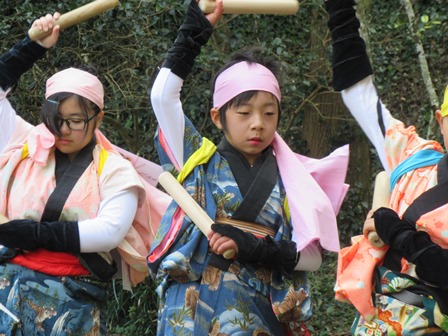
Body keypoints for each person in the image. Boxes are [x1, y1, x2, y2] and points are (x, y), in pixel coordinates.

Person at [147, 1, 350, 335]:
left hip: (260, 312)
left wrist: (256, 248)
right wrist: (195, 28)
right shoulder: (196, 158)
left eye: (269, 113)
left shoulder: (295, 177)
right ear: (217, 116)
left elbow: (312, 257)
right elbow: (162, 96)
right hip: (191, 309)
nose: (258, 124)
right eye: (244, 113)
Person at [0, 12, 151, 335]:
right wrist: (32, 46)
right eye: (56, 119)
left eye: (76, 120)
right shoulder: (23, 143)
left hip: (73, 303)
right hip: (7, 295)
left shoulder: (115, 169)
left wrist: (35, 234)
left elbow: (109, 231)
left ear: (98, 119)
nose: (64, 130)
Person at [326, 0, 448, 334]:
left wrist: (403, 237)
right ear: (440, 122)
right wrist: (340, 12)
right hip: (374, 320)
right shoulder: (412, 156)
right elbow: (358, 94)